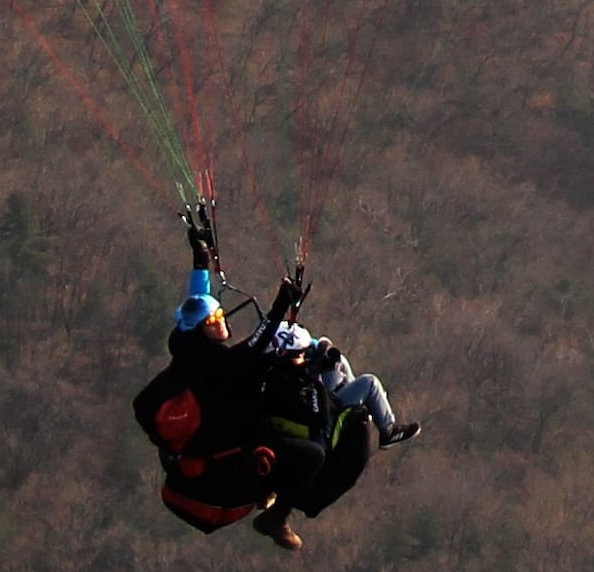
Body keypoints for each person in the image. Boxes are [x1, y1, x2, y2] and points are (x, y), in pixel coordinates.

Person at [133, 203, 414, 549]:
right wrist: (279, 307)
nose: (222, 319)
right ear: (204, 328)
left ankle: (276, 491)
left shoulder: (188, 343)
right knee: (312, 455)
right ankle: (276, 517)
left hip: (225, 430)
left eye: (220, 314)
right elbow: (250, 350)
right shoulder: (212, 363)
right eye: (214, 319)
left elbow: (199, 299)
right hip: (228, 447)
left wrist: (200, 258)